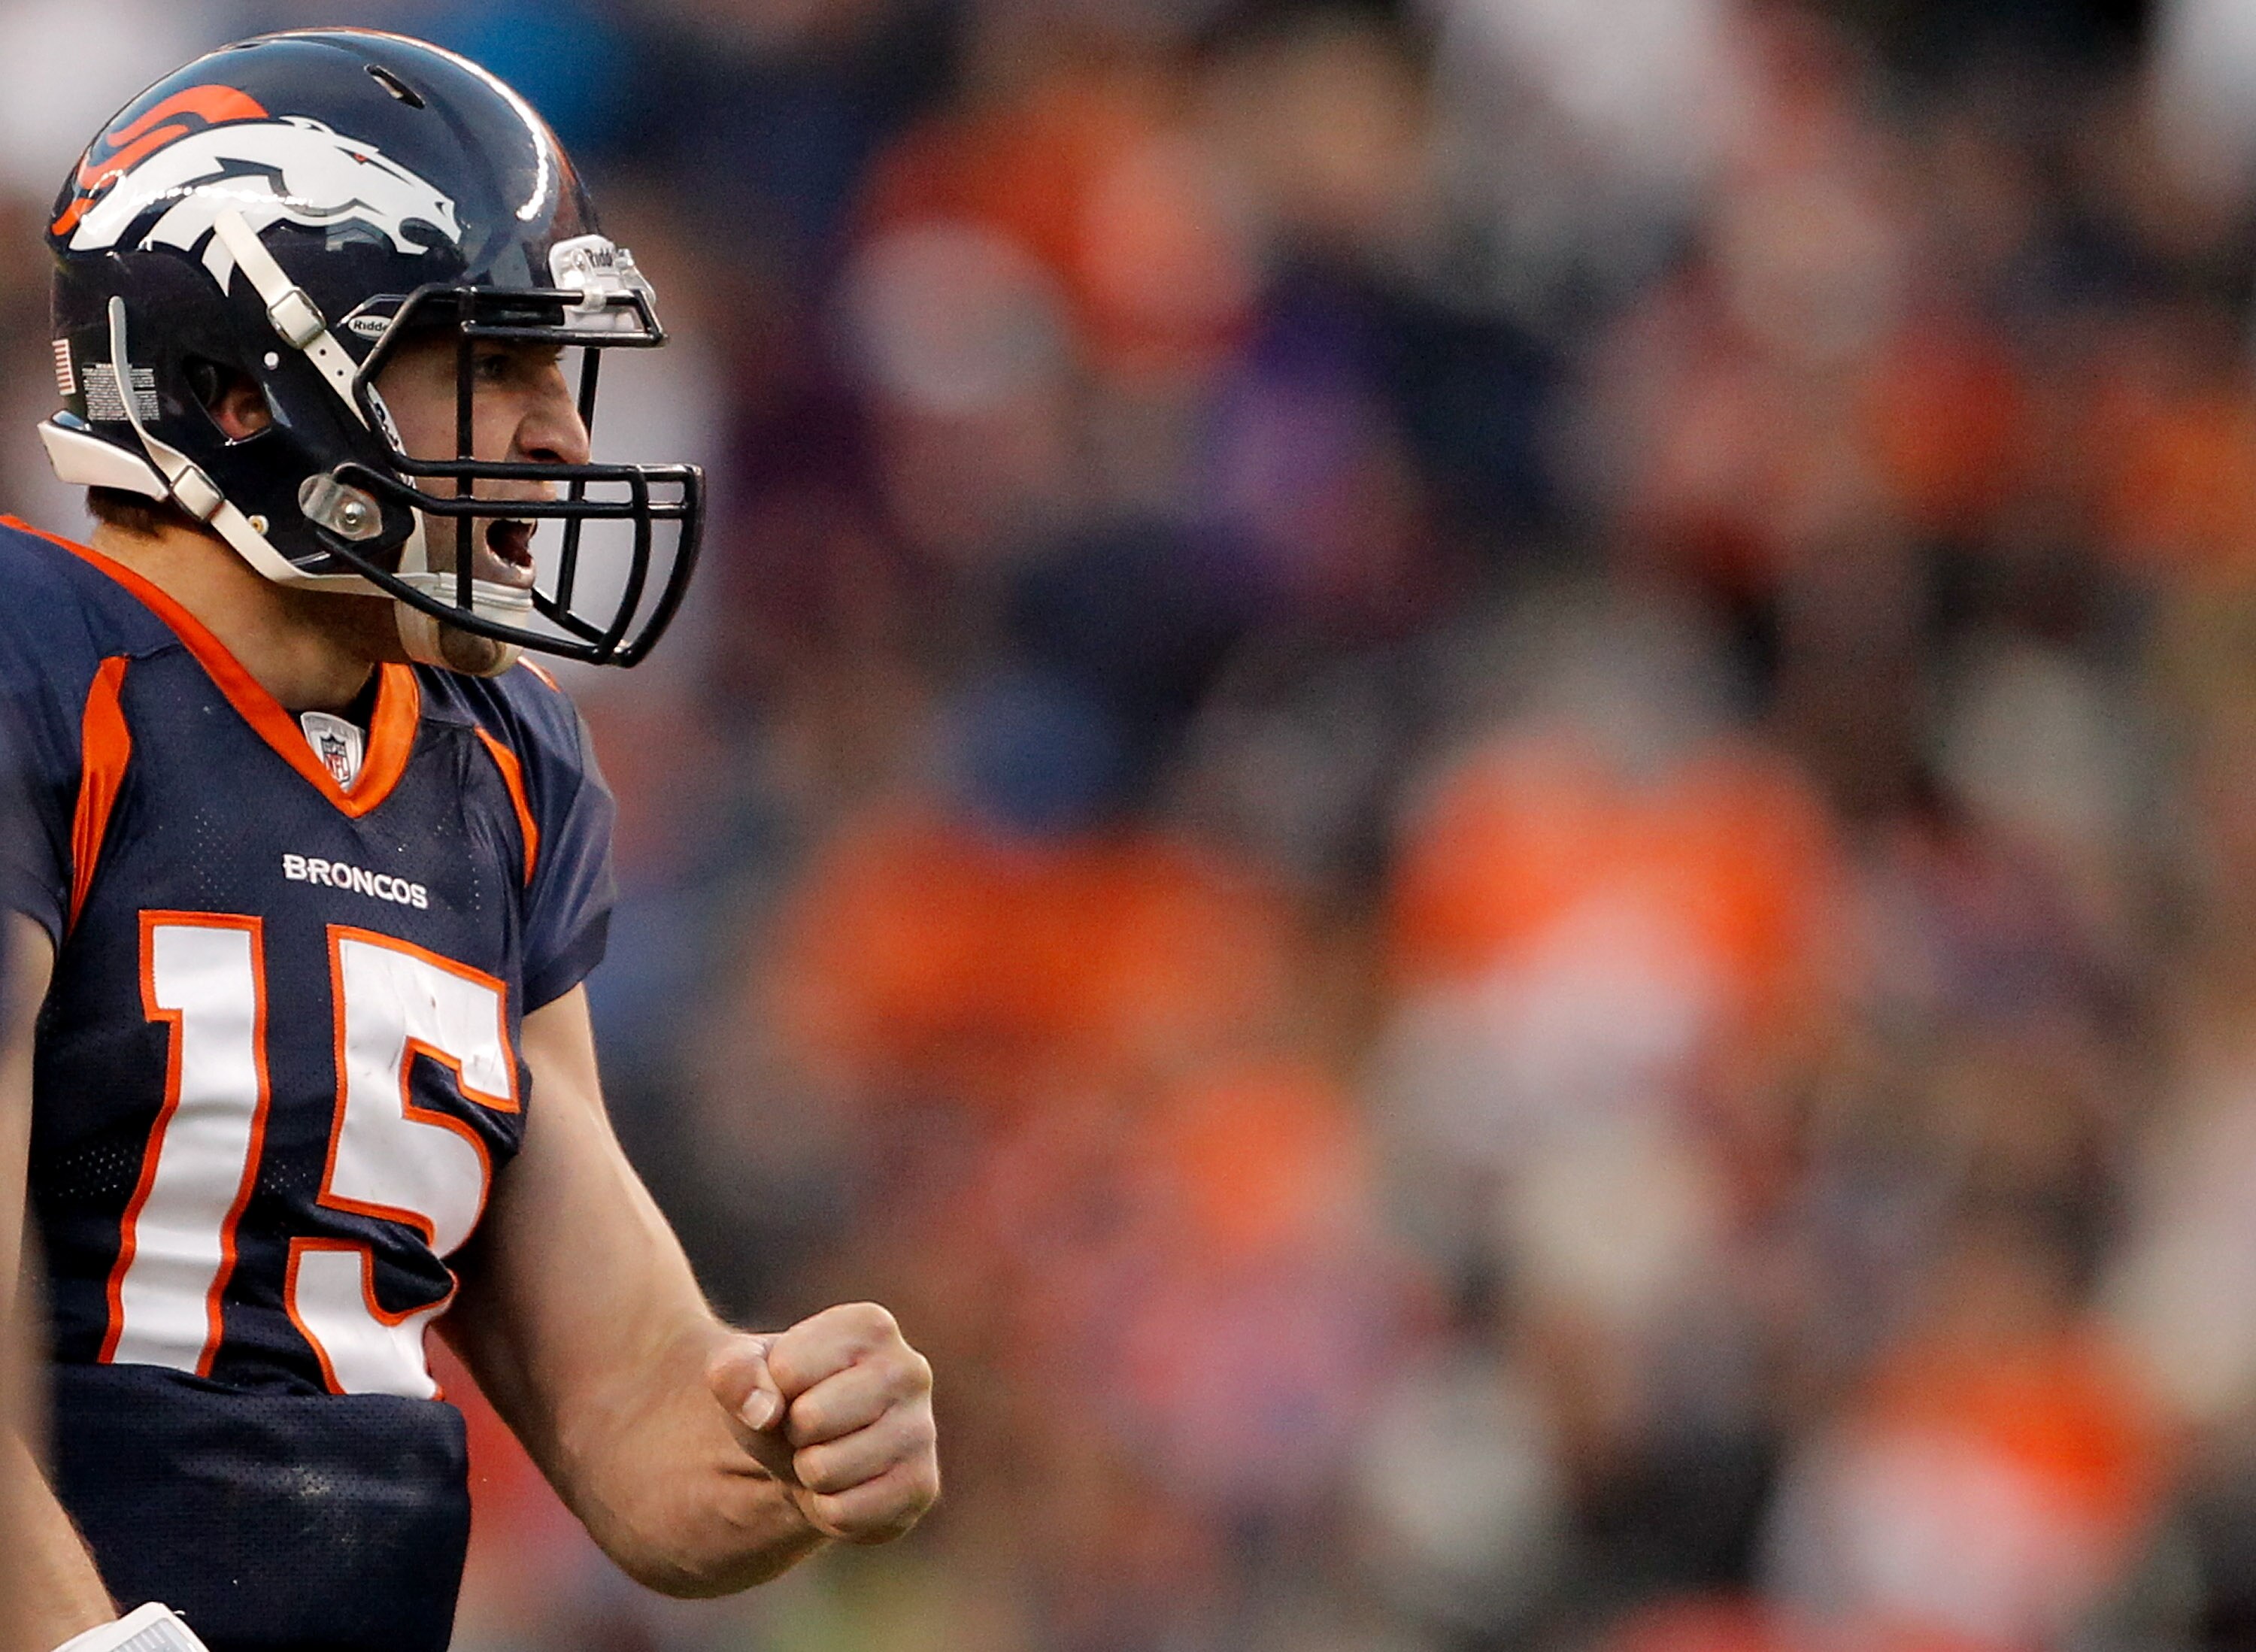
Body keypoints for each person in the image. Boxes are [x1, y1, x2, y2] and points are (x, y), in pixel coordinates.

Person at [0, 30, 938, 1652]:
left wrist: (786, 1441)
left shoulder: (498, 761)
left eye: (552, 372)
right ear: (241, 389)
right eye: (489, 365)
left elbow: (641, 1431)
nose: (560, 438)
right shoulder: (34, 664)